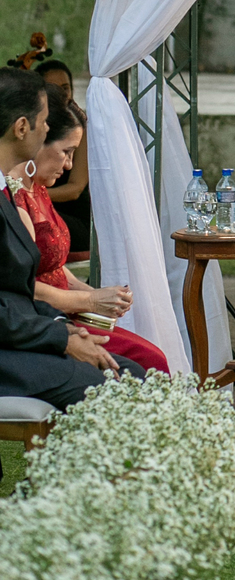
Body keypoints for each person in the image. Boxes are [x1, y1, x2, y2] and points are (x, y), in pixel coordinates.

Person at [0, 69, 144, 409]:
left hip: (20, 336)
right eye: (45, 121)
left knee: (134, 373)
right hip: (7, 349)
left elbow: (15, 294)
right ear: (22, 128)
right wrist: (62, 339)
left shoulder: (7, 191)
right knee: (106, 386)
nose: (49, 128)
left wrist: (67, 332)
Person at [13, 87, 169, 373]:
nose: (70, 164)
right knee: (150, 362)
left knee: (152, 356)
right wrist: (91, 299)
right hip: (48, 320)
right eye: (66, 152)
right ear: (39, 141)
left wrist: (96, 295)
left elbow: (55, 268)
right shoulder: (16, 199)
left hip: (67, 311)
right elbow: (27, 287)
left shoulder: (38, 189)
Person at [40, 59, 91, 257]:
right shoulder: (35, 130)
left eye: (65, 88)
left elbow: (75, 189)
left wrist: (32, 198)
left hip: (74, 218)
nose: (61, 94)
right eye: (53, 88)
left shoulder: (78, 127)